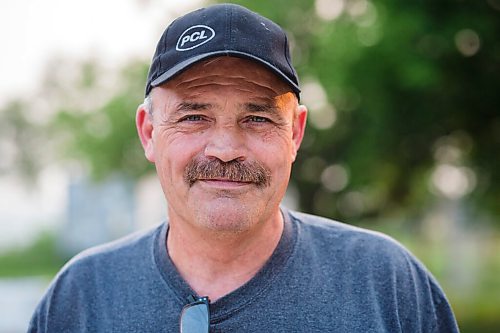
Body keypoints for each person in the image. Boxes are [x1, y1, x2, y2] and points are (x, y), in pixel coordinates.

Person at [29, 3, 459, 332]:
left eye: (257, 118)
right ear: (148, 132)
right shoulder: (82, 297)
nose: (225, 149)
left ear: (294, 134)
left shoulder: (386, 286)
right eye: (194, 116)